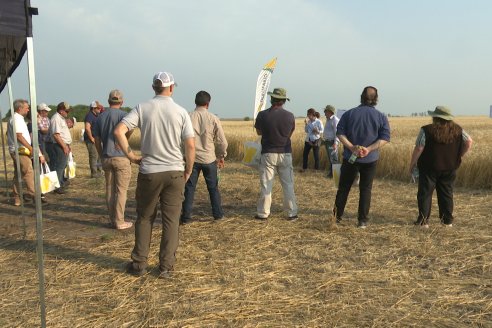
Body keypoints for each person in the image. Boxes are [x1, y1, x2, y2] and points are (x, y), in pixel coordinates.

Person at [114, 71, 195, 278]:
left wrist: (131, 156)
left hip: (149, 171)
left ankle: (139, 264)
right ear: (172, 87)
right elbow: (190, 145)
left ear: (153, 88)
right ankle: (166, 267)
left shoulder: (142, 108)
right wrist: (188, 169)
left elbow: (118, 131)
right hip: (174, 171)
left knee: (144, 218)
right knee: (171, 221)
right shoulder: (181, 111)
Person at [333, 86, 390, 228]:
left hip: (350, 157)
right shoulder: (381, 116)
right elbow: (385, 138)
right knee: (365, 189)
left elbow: (339, 133)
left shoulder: (349, 114)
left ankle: (336, 217)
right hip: (370, 159)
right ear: (376, 99)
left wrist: (351, 147)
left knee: (344, 187)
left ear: (361, 97)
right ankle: (362, 221)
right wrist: (369, 149)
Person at [409, 106, 473, 228]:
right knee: (446, 194)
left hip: (429, 168)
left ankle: (423, 222)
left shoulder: (426, 130)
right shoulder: (458, 130)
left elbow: (419, 148)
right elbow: (469, 141)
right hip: (450, 167)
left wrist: (412, 164)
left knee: (425, 194)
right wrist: (459, 156)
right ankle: (447, 221)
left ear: (435, 117)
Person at [180, 90, 228, 224]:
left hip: (192, 159)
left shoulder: (187, 117)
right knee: (213, 188)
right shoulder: (213, 118)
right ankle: (218, 215)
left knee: (189, 188)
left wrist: (183, 155)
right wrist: (221, 156)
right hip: (209, 159)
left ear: (195, 102)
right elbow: (222, 142)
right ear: (208, 104)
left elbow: (180, 139)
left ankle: (186, 218)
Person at [254, 88, 298, 221]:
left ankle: (263, 213)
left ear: (271, 99)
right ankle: (291, 213)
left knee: (266, 185)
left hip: (268, 153)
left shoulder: (262, 115)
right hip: (285, 153)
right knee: (288, 184)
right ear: (284, 101)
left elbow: (258, 133)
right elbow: (290, 133)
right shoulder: (290, 115)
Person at [93, 90, 133, 230]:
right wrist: (124, 141)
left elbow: (96, 140)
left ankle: (112, 219)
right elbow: (131, 129)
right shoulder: (124, 116)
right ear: (121, 102)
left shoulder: (100, 117)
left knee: (109, 189)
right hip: (121, 157)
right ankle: (120, 221)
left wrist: (101, 153)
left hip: (106, 157)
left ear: (109, 101)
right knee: (121, 190)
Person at [7, 99, 46, 205]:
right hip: (20, 151)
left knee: (18, 174)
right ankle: (35, 196)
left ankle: (17, 198)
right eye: (27, 107)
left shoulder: (15, 118)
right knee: (29, 172)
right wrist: (30, 148)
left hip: (17, 150)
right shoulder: (17, 119)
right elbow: (19, 136)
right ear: (20, 109)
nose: (28, 109)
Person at [46, 102, 73, 194]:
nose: (67, 113)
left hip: (62, 145)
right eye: (66, 111)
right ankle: (57, 187)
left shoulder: (60, 118)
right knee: (59, 166)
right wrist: (64, 146)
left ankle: (59, 184)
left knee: (61, 165)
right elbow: (56, 135)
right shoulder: (56, 118)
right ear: (61, 110)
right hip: (59, 145)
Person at [84, 101, 102, 178]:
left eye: (100, 107)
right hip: (91, 140)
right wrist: (91, 138)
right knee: (94, 156)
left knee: (99, 156)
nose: (100, 109)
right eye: (98, 108)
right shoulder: (89, 116)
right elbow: (87, 128)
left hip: (97, 139)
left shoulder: (96, 115)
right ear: (93, 108)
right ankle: (94, 173)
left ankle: (99, 171)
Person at [322, 105, 340, 178]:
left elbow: (337, 133)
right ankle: (332, 174)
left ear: (330, 112)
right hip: (328, 142)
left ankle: (336, 175)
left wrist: (335, 143)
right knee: (331, 158)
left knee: (334, 158)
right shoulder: (328, 119)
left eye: (325, 111)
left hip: (332, 142)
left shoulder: (335, 120)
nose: (324, 113)